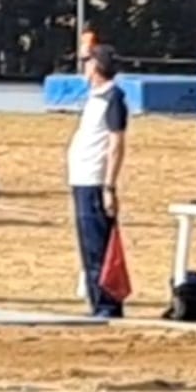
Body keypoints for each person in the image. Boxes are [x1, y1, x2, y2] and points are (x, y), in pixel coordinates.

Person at [67, 44, 129, 319]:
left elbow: (116, 144)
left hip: (94, 180)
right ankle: (96, 302)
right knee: (87, 248)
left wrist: (108, 186)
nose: (84, 67)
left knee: (98, 248)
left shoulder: (113, 98)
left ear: (97, 66)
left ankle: (107, 305)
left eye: (88, 63)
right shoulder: (95, 96)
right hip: (81, 178)